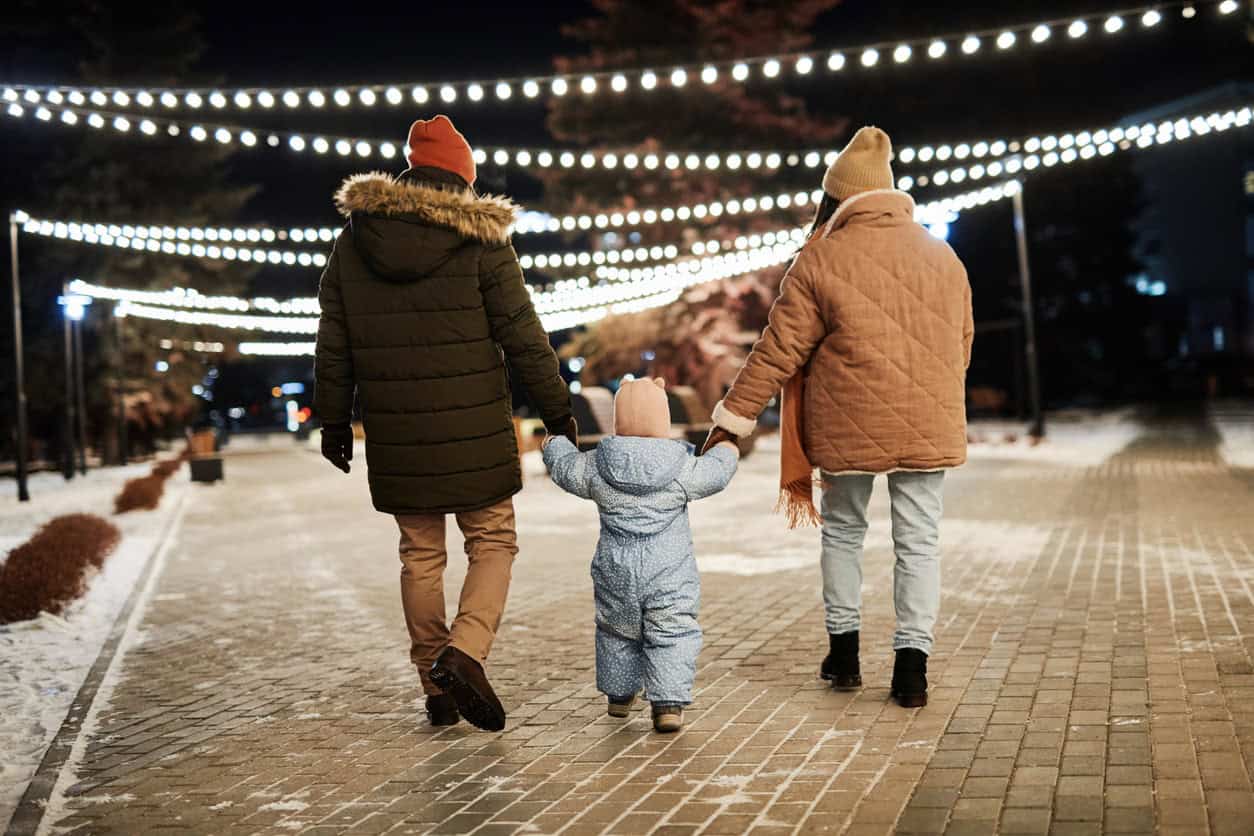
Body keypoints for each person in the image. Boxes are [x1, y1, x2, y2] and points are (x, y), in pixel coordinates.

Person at [314, 114, 576, 731]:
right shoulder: (482, 238)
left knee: (420, 555)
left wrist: (333, 420)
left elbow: (334, 337)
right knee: (492, 541)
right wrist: (557, 408)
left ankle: (436, 681)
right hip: (477, 432)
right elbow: (522, 333)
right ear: (463, 174)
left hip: (398, 434)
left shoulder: (355, 239)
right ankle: (464, 653)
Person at [703, 126, 973, 708]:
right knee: (920, 543)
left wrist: (733, 418)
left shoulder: (821, 258)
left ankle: (845, 655)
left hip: (847, 424)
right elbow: (962, 344)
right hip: (929, 420)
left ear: (839, 197)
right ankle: (911, 669)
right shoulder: (942, 254)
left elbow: (779, 349)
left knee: (846, 532)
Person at [542, 378, 738, 732]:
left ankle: (619, 697)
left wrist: (554, 444)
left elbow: (565, 468)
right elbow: (718, 473)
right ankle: (667, 705)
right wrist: (728, 448)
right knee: (672, 631)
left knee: (617, 631)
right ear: (662, 419)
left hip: (615, 570)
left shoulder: (598, 467)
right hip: (669, 573)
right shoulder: (680, 469)